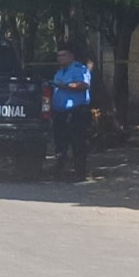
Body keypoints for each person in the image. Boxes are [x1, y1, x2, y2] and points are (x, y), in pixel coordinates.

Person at [52, 43, 91, 182]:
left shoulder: (79, 69)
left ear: (71, 56)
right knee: (60, 143)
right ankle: (59, 171)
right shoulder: (59, 71)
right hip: (60, 113)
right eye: (58, 55)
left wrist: (67, 86)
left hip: (76, 112)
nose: (59, 58)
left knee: (77, 142)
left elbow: (84, 84)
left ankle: (80, 173)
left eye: (62, 55)